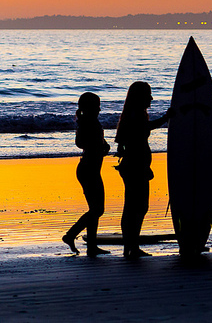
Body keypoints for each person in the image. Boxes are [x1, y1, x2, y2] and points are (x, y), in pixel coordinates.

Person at [115, 81, 172, 259]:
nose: (151, 98)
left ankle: (130, 246)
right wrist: (166, 117)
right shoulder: (136, 114)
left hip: (134, 165)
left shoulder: (132, 113)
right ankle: (132, 246)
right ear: (140, 97)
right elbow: (143, 129)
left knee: (133, 206)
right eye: (148, 95)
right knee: (137, 207)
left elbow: (122, 141)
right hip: (135, 166)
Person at [62, 92, 111, 257]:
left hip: (90, 168)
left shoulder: (89, 121)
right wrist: (99, 146)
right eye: (97, 105)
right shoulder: (87, 122)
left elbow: (92, 141)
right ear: (90, 107)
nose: (99, 108)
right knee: (98, 209)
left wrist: (103, 145)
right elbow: (81, 143)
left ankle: (92, 246)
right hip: (88, 169)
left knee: (95, 209)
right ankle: (70, 235)